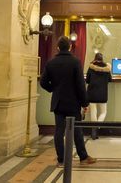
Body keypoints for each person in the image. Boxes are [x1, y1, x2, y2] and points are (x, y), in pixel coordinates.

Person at [40, 36, 96, 165]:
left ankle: (62, 159)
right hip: (73, 102)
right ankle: (83, 157)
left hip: (58, 102)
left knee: (59, 131)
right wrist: (85, 103)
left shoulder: (51, 62)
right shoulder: (75, 62)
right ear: (70, 47)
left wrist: (53, 89)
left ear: (58, 47)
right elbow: (80, 85)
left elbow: (43, 82)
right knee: (77, 130)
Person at [86, 52, 112, 140]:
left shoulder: (91, 67)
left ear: (95, 58)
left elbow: (87, 80)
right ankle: (96, 128)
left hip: (92, 92)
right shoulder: (107, 68)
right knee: (103, 112)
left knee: (93, 112)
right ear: (102, 59)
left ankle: (94, 129)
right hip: (102, 93)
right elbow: (110, 80)